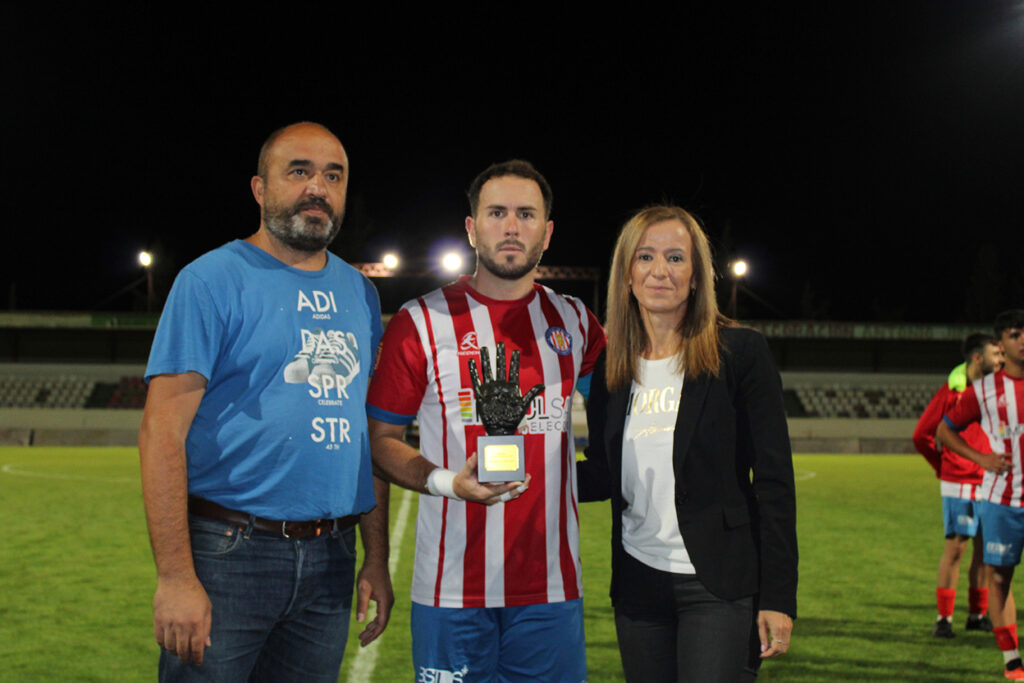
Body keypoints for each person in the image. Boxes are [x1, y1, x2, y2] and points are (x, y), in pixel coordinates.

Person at [138, 122, 392, 682]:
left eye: (333, 176)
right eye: (299, 171)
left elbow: (364, 434)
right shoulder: (209, 280)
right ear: (260, 189)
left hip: (332, 557)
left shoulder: (361, 292)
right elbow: (161, 432)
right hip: (231, 553)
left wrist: (376, 557)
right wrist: (176, 577)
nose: (317, 188)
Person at [366, 159, 605, 682]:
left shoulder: (575, 322)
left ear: (547, 233)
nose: (512, 226)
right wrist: (447, 483)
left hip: (552, 588)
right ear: (472, 228)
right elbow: (380, 441)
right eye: (497, 213)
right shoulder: (419, 321)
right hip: (450, 588)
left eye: (526, 214)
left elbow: (621, 408)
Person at [576, 205, 798, 682]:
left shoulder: (740, 353)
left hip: (717, 586)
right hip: (637, 586)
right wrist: (530, 470)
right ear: (627, 273)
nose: (660, 270)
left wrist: (778, 597)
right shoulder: (611, 367)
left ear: (697, 276)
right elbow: (602, 473)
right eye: (645, 257)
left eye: (675, 258)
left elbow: (775, 483)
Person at [939, 309, 1024, 680]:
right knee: (1000, 579)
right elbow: (944, 431)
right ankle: (1012, 661)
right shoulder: (984, 391)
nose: (1023, 340)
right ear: (1001, 344)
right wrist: (982, 458)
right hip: (1001, 502)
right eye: (1015, 334)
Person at [914, 332, 1003, 637]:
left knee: (985, 551)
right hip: (960, 482)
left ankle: (977, 615)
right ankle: (944, 619)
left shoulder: (997, 391)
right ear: (978, 358)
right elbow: (922, 434)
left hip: (990, 480)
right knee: (956, 550)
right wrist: (943, 466)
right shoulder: (951, 393)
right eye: (995, 354)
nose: (1001, 359)